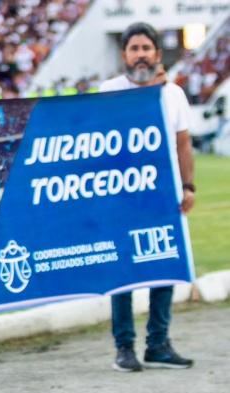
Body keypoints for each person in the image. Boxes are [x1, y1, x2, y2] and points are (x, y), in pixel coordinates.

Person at [99, 22, 195, 372]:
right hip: (121, 197)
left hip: (161, 195)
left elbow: (182, 143)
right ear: (124, 54)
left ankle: (159, 343)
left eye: (146, 49)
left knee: (163, 264)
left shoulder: (173, 94)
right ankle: (124, 347)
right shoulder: (109, 89)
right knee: (123, 271)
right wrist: (149, 92)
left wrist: (189, 186)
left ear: (157, 53)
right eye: (134, 49)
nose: (141, 55)